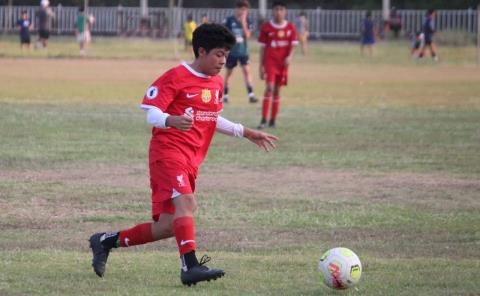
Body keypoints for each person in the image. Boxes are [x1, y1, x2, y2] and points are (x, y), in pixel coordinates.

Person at [89, 23, 278, 286]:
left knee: (168, 225)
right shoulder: (176, 76)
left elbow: (211, 117)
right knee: (186, 206)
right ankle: (190, 267)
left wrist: (246, 132)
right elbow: (151, 113)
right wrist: (170, 120)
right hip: (168, 152)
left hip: (191, 158)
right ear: (201, 51)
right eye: (218, 54)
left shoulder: (216, 82)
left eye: (226, 55)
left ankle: (104, 241)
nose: (223, 61)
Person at [257, 1, 298, 129]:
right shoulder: (266, 27)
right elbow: (262, 49)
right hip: (270, 62)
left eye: (281, 9)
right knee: (269, 87)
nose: (278, 12)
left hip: (282, 64)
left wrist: (290, 57)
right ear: (272, 11)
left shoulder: (290, 27)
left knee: (277, 90)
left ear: (285, 11)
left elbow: (293, 46)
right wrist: (260, 67)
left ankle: (273, 120)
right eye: (276, 9)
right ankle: (263, 119)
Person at [222, 0, 258, 104]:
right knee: (229, 73)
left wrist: (243, 23)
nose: (243, 12)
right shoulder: (229, 20)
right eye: (241, 9)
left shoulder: (248, 21)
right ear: (236, 9)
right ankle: (225, 95)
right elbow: (224, 35)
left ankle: (251, 95)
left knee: (247, 71)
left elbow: (247, 35)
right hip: (231, 52)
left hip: (243, 52)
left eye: (245, 10)